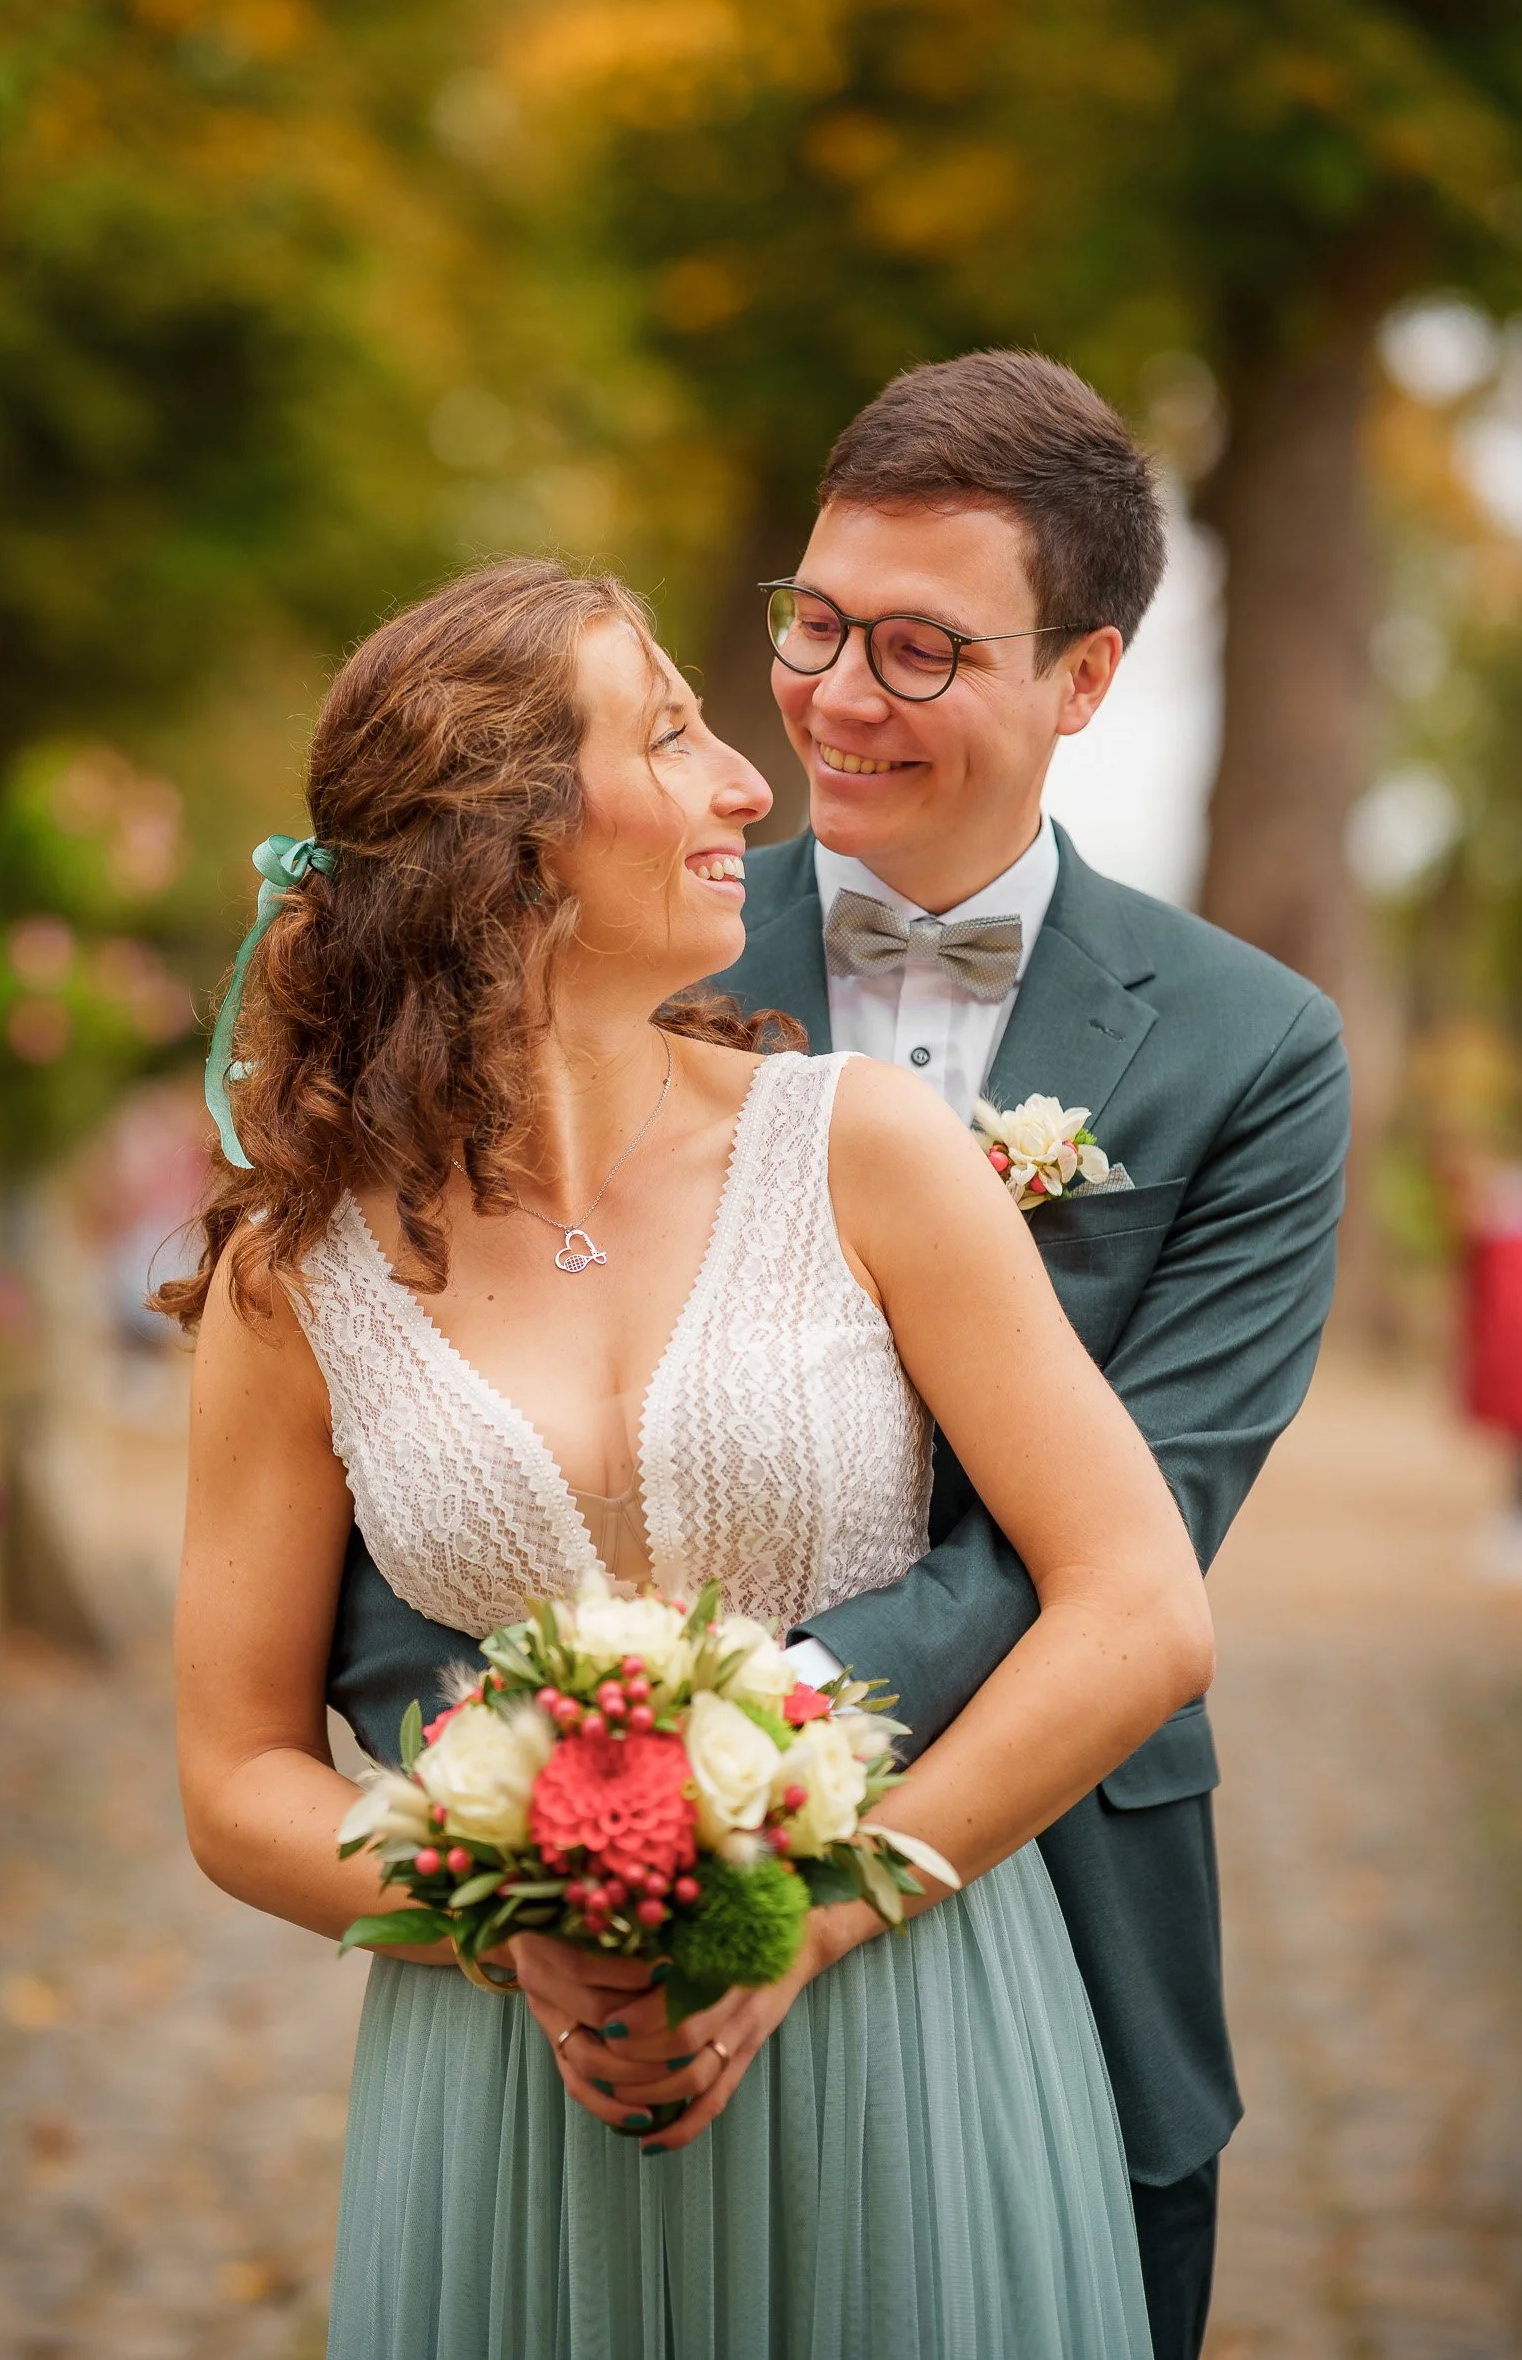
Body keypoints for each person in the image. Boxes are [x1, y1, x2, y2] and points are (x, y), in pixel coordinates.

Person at [327, 353, 1352, 2360]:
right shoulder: (617, 917)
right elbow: (414, 1428)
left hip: (1055, 1874)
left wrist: (712, 1758)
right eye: (807, 623)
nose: (827, 699)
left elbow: (1142, 1524)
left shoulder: (1252, 1050)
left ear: (1083, 676)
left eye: (912, 646)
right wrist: (547, 1811)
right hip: (578, 1917)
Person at [169, 554, 1216, 2358]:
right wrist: (497, 1924)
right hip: (510, 2082)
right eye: (671, 736)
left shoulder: (864, 1151)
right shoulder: (296, 1279)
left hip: (904, 2016)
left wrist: (819, 1912)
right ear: (507, 851)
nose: (750, 781)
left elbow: (1136, 1607)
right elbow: (235, 1774)